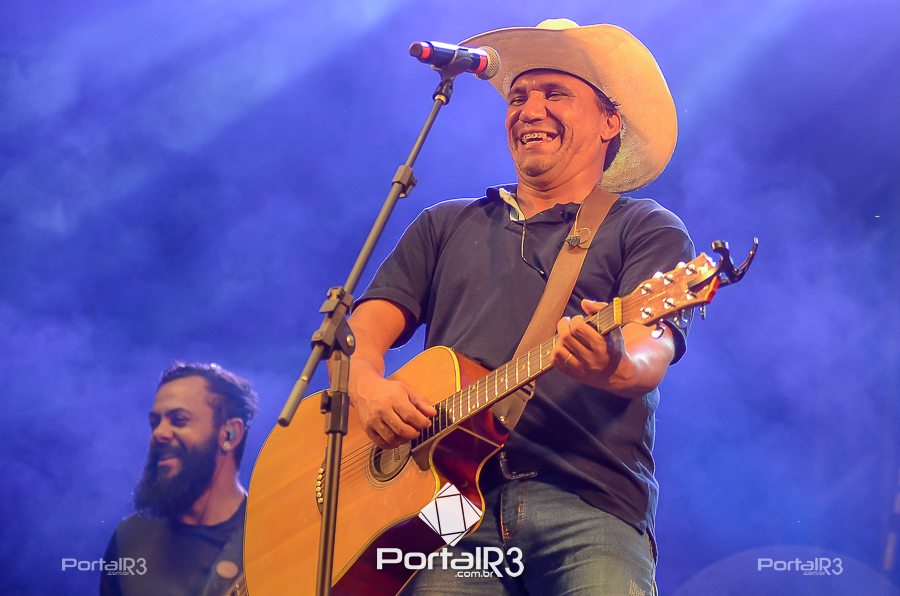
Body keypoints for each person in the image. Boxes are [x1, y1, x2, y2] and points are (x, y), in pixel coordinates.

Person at [347, 19, 693, 595]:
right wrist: (366, 386)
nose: (530, 110)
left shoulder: (645, 227)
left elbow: (649, 350)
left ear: (610, 122)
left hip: (587, 500)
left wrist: (614, 367)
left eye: (555, 94)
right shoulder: (445, 223)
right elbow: (362, 329)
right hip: (449, 505)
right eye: (519, 97)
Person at [100, 362, 258, 596]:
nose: (159, 433)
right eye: (155, 423)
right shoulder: (128, 538)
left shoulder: (271, 538)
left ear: (229, 434)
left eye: (179, 420)